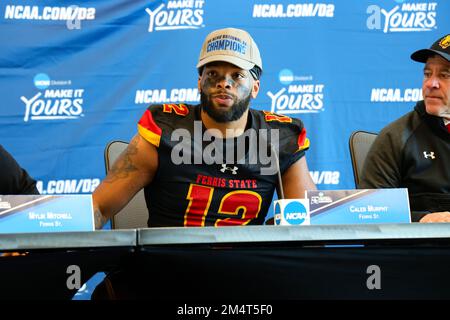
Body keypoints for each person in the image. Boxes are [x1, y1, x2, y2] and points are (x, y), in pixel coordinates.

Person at [92, 27, 316, 229]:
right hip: (168, 266)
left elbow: (305, 223)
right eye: (212, 74)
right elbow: (99, 208)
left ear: (255, 87)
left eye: (237, 75)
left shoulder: (280, 137)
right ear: (199, 82)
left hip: (245, 267)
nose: (224, 83)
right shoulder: (164, 129)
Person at [360, 34, 450, 223]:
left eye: (444, 75)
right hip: (423, 249)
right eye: (427, 74)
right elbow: (369, 214)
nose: (430, 84)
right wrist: (423, 220)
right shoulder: (396, 137)